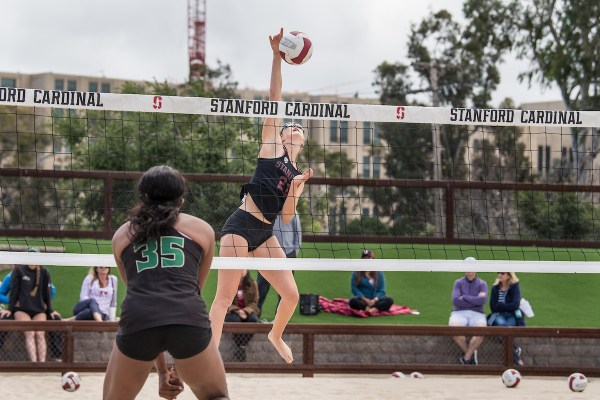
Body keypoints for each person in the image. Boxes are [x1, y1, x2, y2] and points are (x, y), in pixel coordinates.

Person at [210, 27, 313, 365]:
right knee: (225, 298)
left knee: (291, 295)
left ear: (303, 141)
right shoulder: (271, 148)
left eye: (300, 127)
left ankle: (276, 334)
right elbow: (275, 97)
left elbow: (285, 217)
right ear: (281, 134)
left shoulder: (296, 174)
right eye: (290, 126)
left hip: (266, 234)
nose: (294, 127)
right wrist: (275, 56)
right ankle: (208, 353)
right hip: (241, 226)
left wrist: (297, 188)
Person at [105, 165, 228, 400]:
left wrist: (163, 372)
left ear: (142, 197)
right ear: (181, 199)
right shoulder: (202, 230)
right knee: (216, 396)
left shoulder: (122, 236)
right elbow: (193, 291)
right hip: (187, 318)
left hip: (139, 320)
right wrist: (181, 366)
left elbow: (141, 297)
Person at [4, 257, 61, 362]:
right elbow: (14, 292)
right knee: (30, 333)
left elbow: (48, 292)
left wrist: (50, 310)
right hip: (22, 310)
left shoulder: (44, 272)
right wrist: (10, 308)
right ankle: (34, 363)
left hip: (38, 310)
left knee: (40, 334)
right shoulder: (18, 271)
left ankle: (42, 363)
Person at [256, 211, 302, 315]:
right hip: (267, 254)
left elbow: (298, 233)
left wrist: (295, 251)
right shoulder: (267, 210)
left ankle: (280, 317)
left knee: (285, 289)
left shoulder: (293, 212)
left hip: (288, 254)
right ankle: (255, 313)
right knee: (261, 285)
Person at [449, 259, 488, 365]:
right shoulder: (458, 283)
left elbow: (482, 301)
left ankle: (466, 357)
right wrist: (474, 299)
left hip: (477, 314)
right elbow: (455, 300)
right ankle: (470, 354)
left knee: (482, 331)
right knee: (454, 329)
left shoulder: (482, 284)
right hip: (459, 313)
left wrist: (465, 297)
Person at [488, 271, 525, 366]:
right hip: (498, 315)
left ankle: (513, 354)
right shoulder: (495, 288)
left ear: (509, 275)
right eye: (498, 273)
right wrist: (506, 306)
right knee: (502, 327)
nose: (499, 275)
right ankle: (515, 353)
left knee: (507, 329)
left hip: (511, 315)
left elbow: (515, 305)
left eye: (502, 273)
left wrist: (501, 305)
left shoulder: (514, 287)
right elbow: (493, 307)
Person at [224, 270, 259, 362]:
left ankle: (240, 346)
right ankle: (242, 347)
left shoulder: (252, 284)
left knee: (253, 320)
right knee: (235, 320)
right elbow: (226, 301)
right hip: (233, 311)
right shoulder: (229, 283)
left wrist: (245, 311)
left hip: (248, 310)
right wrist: (238, 310)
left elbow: (255, 301)